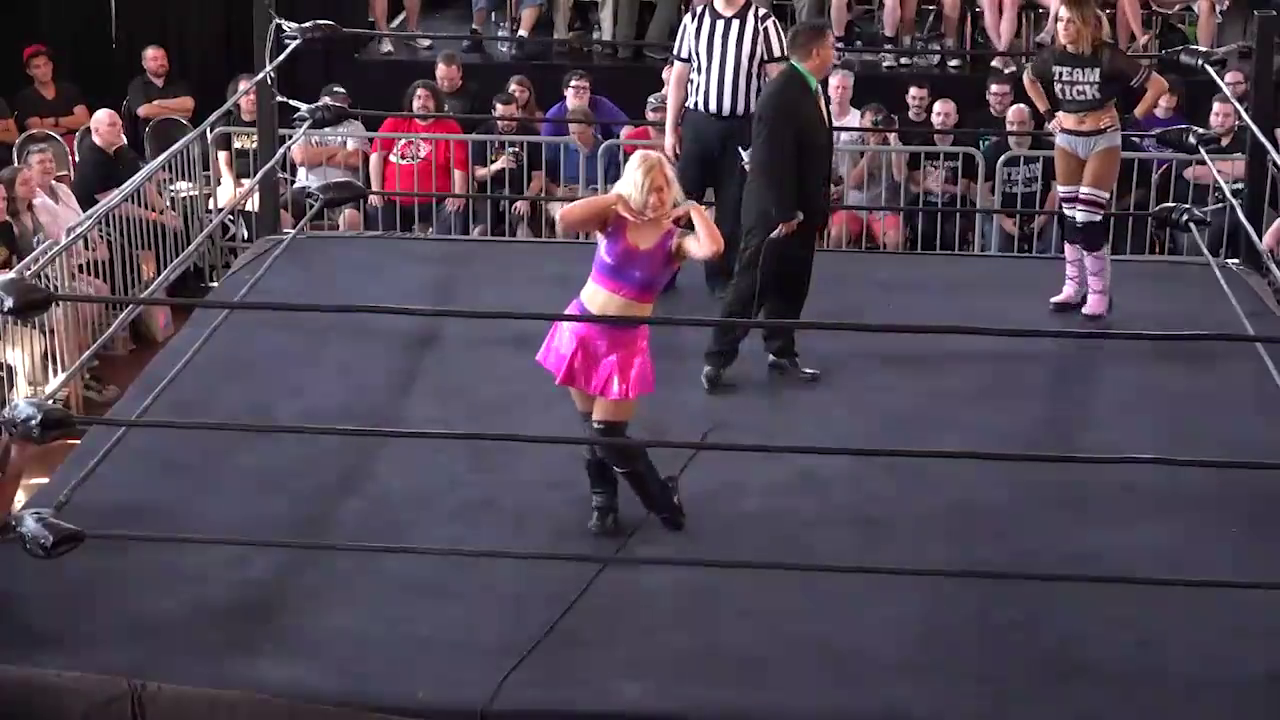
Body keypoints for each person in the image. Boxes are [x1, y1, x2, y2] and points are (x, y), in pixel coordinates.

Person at [536, 150, 723, 535]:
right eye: (647, 188)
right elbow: (565, 219)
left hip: (623, 345)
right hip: (582, 330)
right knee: (592, 429)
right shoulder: (613, 219)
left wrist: (693, 209)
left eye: (661, 189)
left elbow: (713, 249)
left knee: (607, 432)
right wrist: (614, 198)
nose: (655, 197)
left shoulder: (674, 240)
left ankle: (663, 502)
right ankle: (603, 503)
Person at [700, 21, 837, 393]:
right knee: (752, 285)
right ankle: (716, 359)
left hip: (802, 211)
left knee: (791, 285)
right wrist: (784, 211)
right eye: (831, 46)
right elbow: (769, 159)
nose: (835, 53)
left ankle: (781, 351)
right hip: (776, 214)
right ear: (816, 52)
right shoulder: (781, 93)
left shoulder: (809, 89)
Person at [1024, 0, 1167, 318]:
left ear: (1086, 24)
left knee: (1088, 217)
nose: (1062, 27)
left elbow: (1158, 85)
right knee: (1069, 215)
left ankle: (1099, 291)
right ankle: (1074, 285)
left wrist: (1130, 120)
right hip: (1067, 140)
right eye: (1060, 20)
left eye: (1070, 21)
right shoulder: (1053, 56)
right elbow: (1028, 78)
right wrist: (1047, 114)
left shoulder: (1107, 55)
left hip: (1102, 140)